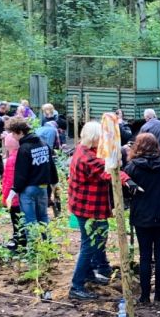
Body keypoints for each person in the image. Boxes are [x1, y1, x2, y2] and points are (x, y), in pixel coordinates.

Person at [123, 133, 160, 305]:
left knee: (145, 255)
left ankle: (145, 295)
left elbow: (125, 193)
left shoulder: (132, 168)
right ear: (157, 146)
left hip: (142, 216)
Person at [68, 121, 114, 301]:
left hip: (84, 205)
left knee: (94, 241)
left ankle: (88, 274)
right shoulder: (88, 158)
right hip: (89, 208)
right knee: (90, 244)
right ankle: (76, 286)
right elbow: (109, 172)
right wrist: (128, 179)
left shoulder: (83, 148)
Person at [6, 117, 58, 236]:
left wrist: (13, 191)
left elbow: (21, 173)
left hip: (28, 189)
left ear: (19, 132)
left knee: (30, 221)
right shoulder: (43, 144)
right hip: (43, 188)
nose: (13, 137)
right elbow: (51, 165)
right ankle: (47, 246)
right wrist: (54, 183)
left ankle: (33, 250)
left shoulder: (24, 149)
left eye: (13, 134)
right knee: (43, 217)